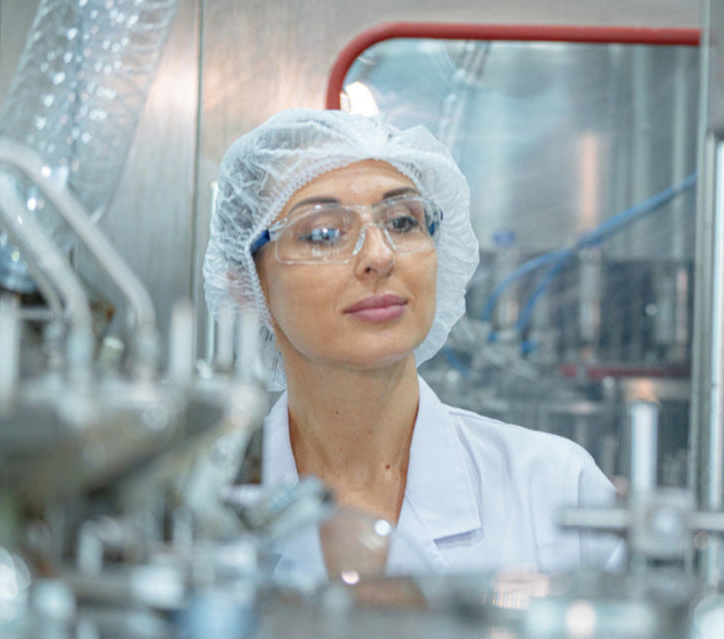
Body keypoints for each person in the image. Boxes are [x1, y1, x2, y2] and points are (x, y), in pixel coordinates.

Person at [204, 108, 621, 583]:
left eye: (402, 222)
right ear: (247, 286)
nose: (380, 256)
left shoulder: (555, 488)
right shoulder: (202, 504)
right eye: (323, 233)